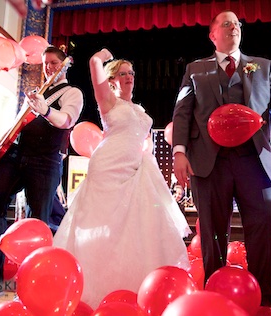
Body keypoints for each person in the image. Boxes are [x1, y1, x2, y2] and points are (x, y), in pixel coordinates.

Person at [171, 10, 271, 307]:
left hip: (256, 161)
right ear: (212, 35)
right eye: (226, 23)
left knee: (263, 231)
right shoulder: (195, 70)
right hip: (210, 163)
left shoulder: (263, 67)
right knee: (211, 234)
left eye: (237, 24)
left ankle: (262, 301)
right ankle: (215, 298)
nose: (234, 27)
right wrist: (180, 153)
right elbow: (182, 113)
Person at [53, 48, 191, 309]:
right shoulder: (108, 102)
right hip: (108, 167)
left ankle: (137, 287)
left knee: (137, 229)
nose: (130, 77)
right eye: (123, 73)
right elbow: (94, 70)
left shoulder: (138, 108)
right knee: (103, 226)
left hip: (137, 170)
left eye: (131, 73)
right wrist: (98, 58)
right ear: (113, 79)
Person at [0, 45, 84, 307]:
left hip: (45, 161)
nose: (49, 67)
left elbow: (67, 120)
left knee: (39, 222)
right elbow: (16, 125)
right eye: (46, 63)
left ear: (65, 65)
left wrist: (45, 109)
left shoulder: (73, 92)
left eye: (55, 63)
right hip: (14, 155)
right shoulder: (35, 92)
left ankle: (36, 286)